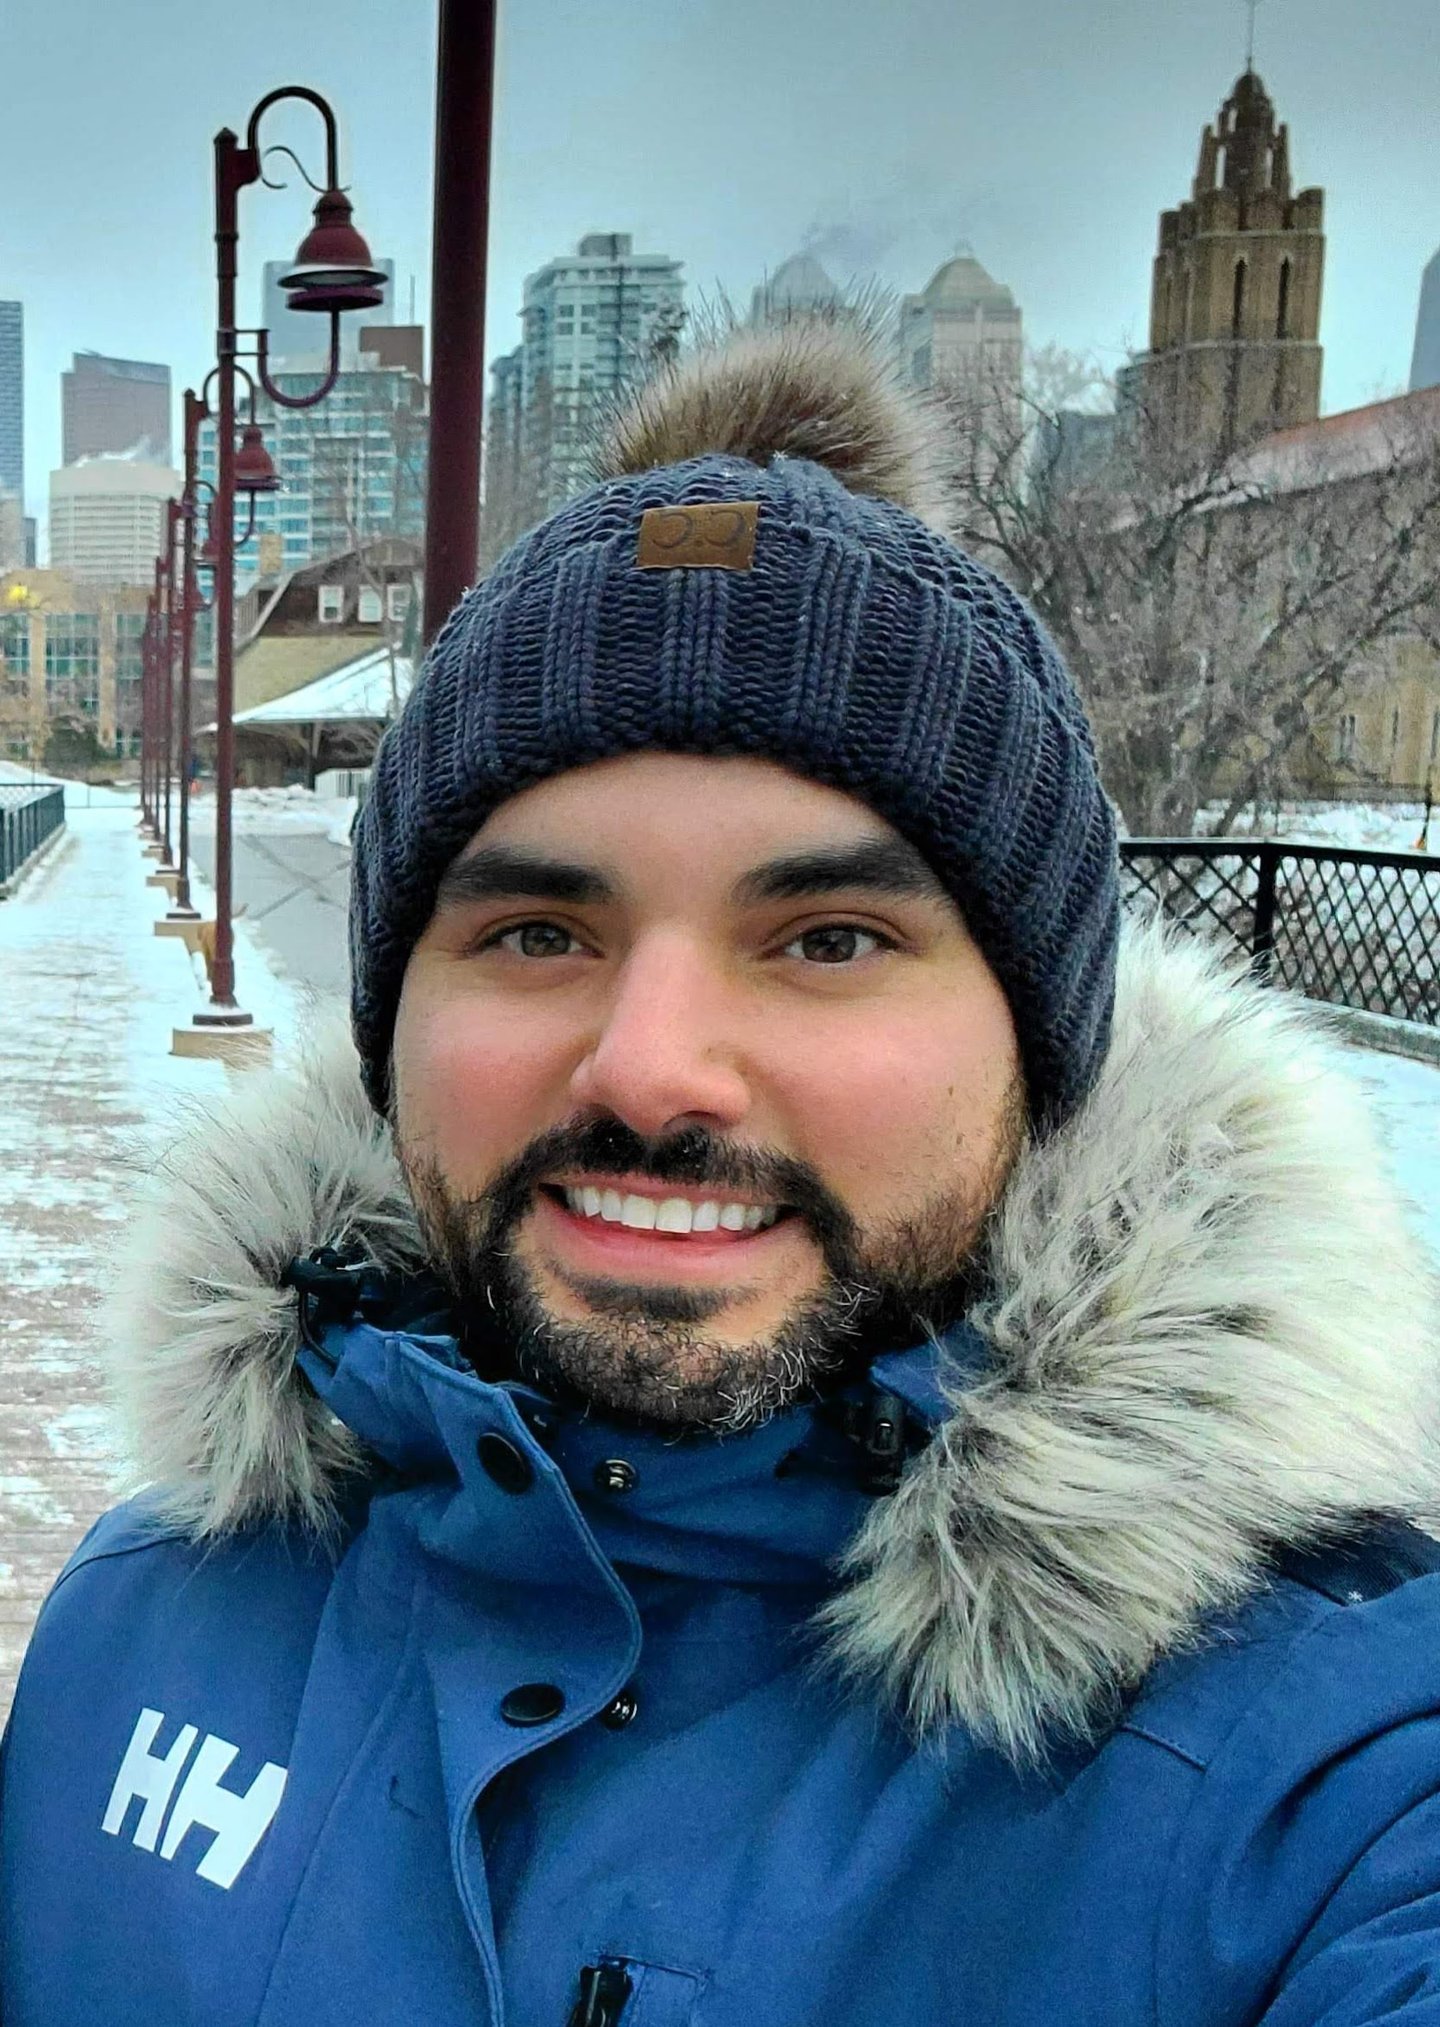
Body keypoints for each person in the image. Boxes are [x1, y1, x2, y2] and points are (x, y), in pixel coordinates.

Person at [3, 324, 1440, 2027]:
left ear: (1042, 1047)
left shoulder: (1319, 1776)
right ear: (393, 1026)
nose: (651, 1066)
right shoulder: (142, 1620)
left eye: (827, 938)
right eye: (539, 930)